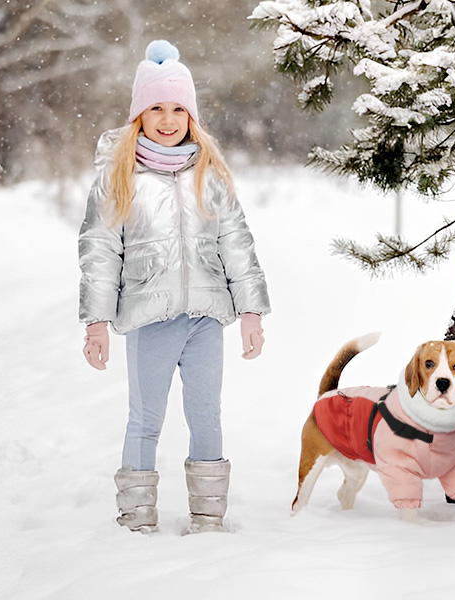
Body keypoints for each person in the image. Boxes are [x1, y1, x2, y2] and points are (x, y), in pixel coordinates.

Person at [78, 40, 270, 534]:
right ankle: (136, 519)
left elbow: (237, 243)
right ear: (139, 115)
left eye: (178, 108)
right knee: (146, 419)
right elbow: (100, 252)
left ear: (192, 115)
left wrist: (251, 311)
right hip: (150, 319)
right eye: (156, 108)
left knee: (207, 415)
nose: (168, 119)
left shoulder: (210, 173)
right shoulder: (119, 177)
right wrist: (96, 322)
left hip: (206, 319)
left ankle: (209, 520)